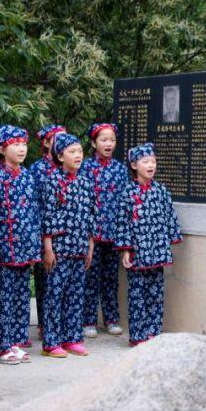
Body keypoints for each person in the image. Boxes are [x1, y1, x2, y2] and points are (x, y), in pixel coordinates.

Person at [0, 125, 39, 364]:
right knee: (2, 297)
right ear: (2, 149)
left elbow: (33, 212)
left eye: (23, 144)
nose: (21, 149)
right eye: (15, 145)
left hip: (24, 247)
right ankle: (1, 345)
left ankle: (15, 340)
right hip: (3, 248)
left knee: (20, 297)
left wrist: (34, 244)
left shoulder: (26, 175)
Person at [115, 143, 182, 346]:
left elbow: (170, 216)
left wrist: (169, 240)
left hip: (157, 249)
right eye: (146, 162)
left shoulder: (161, 190)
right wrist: (126, 249)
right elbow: (122, 221)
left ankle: (154, 332)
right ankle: (138, 335)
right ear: (134, 165)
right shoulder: (127, 192)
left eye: (153, 161)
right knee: (137, 294)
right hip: (138, 251)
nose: (151, 165)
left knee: (156, 292)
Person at [40, 133, 95, 358]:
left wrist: (90, 247)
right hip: (59, 249)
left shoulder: (85, 181)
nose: (78, 155)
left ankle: (73, 338)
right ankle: (51, 342)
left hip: (79, 247)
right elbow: (47, 216)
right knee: (55, 294)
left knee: (75, 294)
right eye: (72, 152)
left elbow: (92, 215)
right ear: (60, 155)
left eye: (80, 151)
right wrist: (48, 248)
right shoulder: (51, 180)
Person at [79, 122, 128, 338]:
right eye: (104, 140)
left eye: (112, 140)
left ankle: (111, 319)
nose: (109, 144)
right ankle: (89, 320)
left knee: (111, 278)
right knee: (91, 277)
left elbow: (125, 201)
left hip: (113, 233)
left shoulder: (120, 168)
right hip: (92, 234)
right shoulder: (86, 168)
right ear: (93, 142)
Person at [30, 125, 66, 346]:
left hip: (65, 235)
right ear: (45, 143)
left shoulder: (67, 168)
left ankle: (61, 325)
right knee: (44, 278)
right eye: (56, 139)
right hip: (42, 229)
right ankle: (45, 323)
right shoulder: (36, 169)